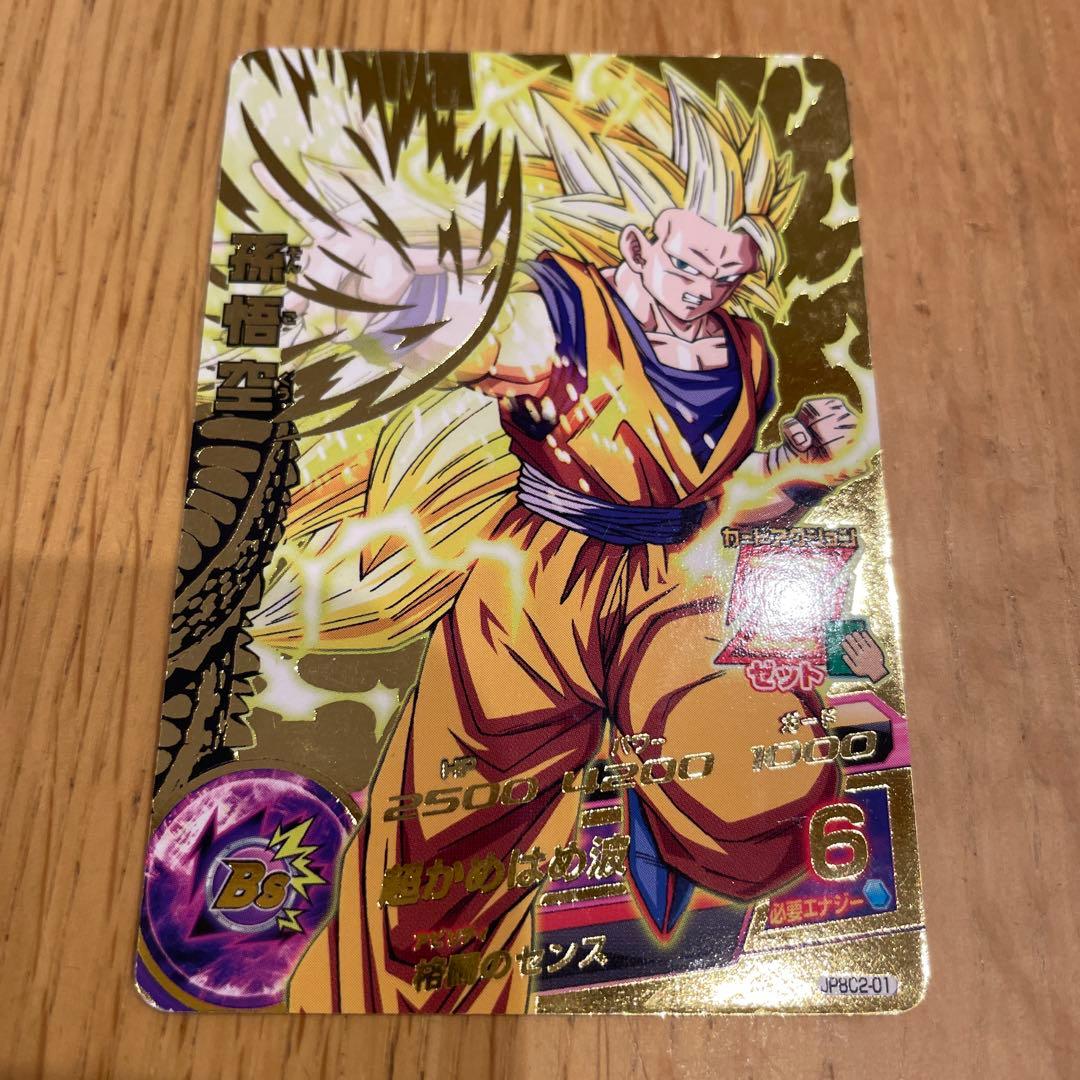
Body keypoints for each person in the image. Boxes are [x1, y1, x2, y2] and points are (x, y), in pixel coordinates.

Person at [254, 60, 866, 1013]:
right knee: (437, 882)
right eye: (686, 265)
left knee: (763, 788)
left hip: (676, 580)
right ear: (637, 242)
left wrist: (795, 463)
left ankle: (669, 866)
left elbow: (720, 497)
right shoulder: (561, 312)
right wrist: (364, 286)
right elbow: (466, 327)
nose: (704, 289)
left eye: (728, 273)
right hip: (531, 588)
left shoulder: (744, 349)